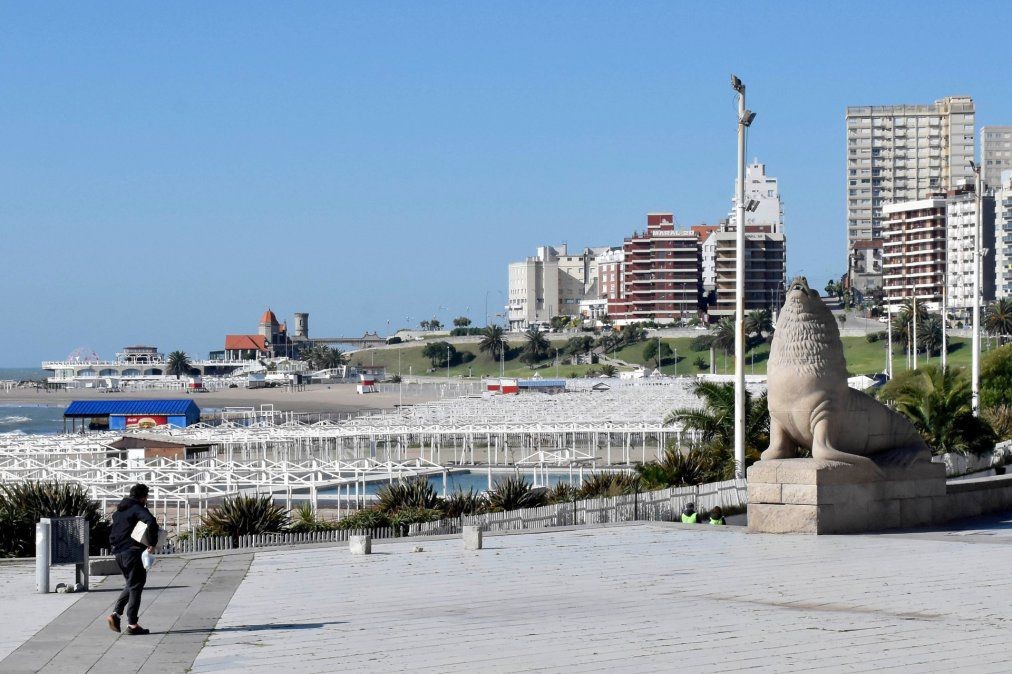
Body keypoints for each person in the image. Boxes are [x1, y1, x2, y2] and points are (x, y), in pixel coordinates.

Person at [106, 483, 158, 636]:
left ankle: (116, 615)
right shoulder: (137, 508)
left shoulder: (119, 511)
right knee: (136, 586)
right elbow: (151, 521)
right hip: (132, 552)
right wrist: (152, 544)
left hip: (119, 553)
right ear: (143, 497)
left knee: (132, 583)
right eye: (146, 497)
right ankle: (133, 624)